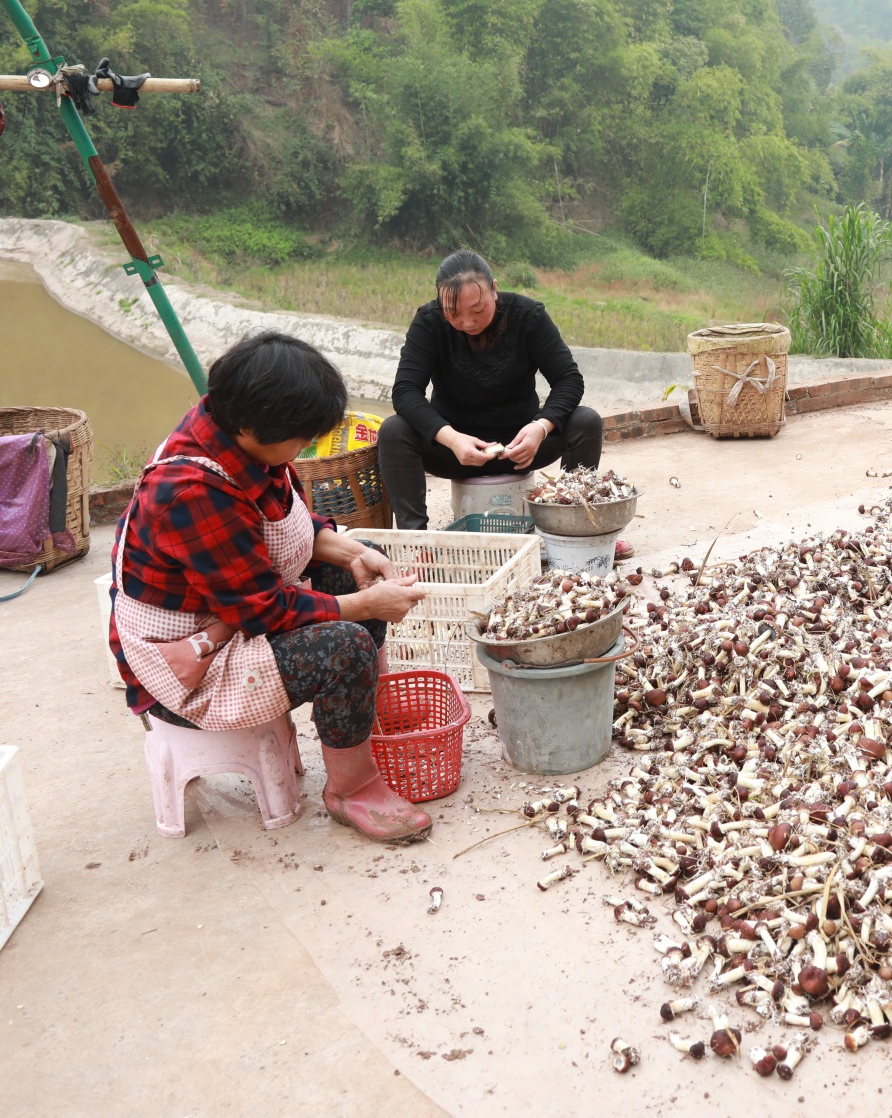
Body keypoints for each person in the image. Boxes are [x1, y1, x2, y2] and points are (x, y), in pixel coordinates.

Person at [109, 331, 432, 842]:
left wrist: (358, 554)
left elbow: (291, 529)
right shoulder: (191, 491)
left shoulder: (242, 441)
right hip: (190, 664)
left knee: (353, 574)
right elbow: (261, 612)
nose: (301, 449)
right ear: (252, 424)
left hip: (228, 613)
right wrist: (368, 603)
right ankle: (352, 787)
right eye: (299, 438)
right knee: (344, 646)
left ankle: (365, 717)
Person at [379, 251, 605, 531]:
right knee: (393, 431)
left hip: (522, 447)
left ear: (494, 289)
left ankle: (575, 526)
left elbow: (569, 379)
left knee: (586, 421)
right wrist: (451, 439)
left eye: (477, 309)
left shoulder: (528, 316)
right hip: (455, 451)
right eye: (453, 313)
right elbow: (405, 391)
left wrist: (540, 429)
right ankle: (416, 540)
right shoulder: (429, 323)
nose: (468, 322)